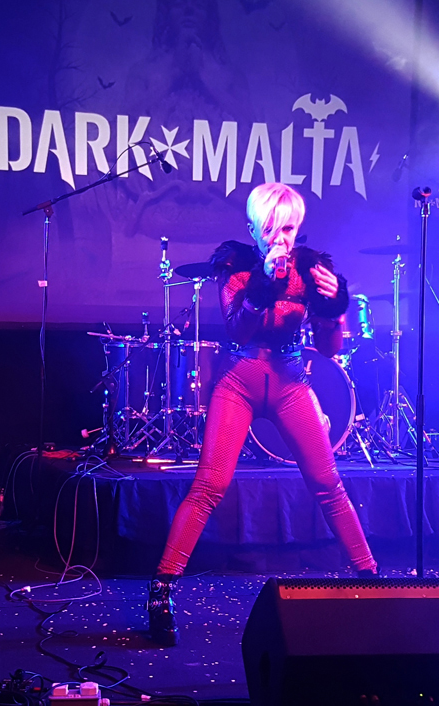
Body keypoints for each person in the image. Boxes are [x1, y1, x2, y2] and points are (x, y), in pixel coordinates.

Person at [147, 182, 376, 646]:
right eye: (270, 229)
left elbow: (330, 349)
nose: (280, 238)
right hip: (240, 381)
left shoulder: (312, 270)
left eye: (288, 229)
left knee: (328, 483)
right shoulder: (234, 266)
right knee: (210, 486)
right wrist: (263, 285)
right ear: (253, 229)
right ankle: (161, 588)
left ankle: (371, 581)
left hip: (291, 382)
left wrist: (336, 307)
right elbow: (238, 329)